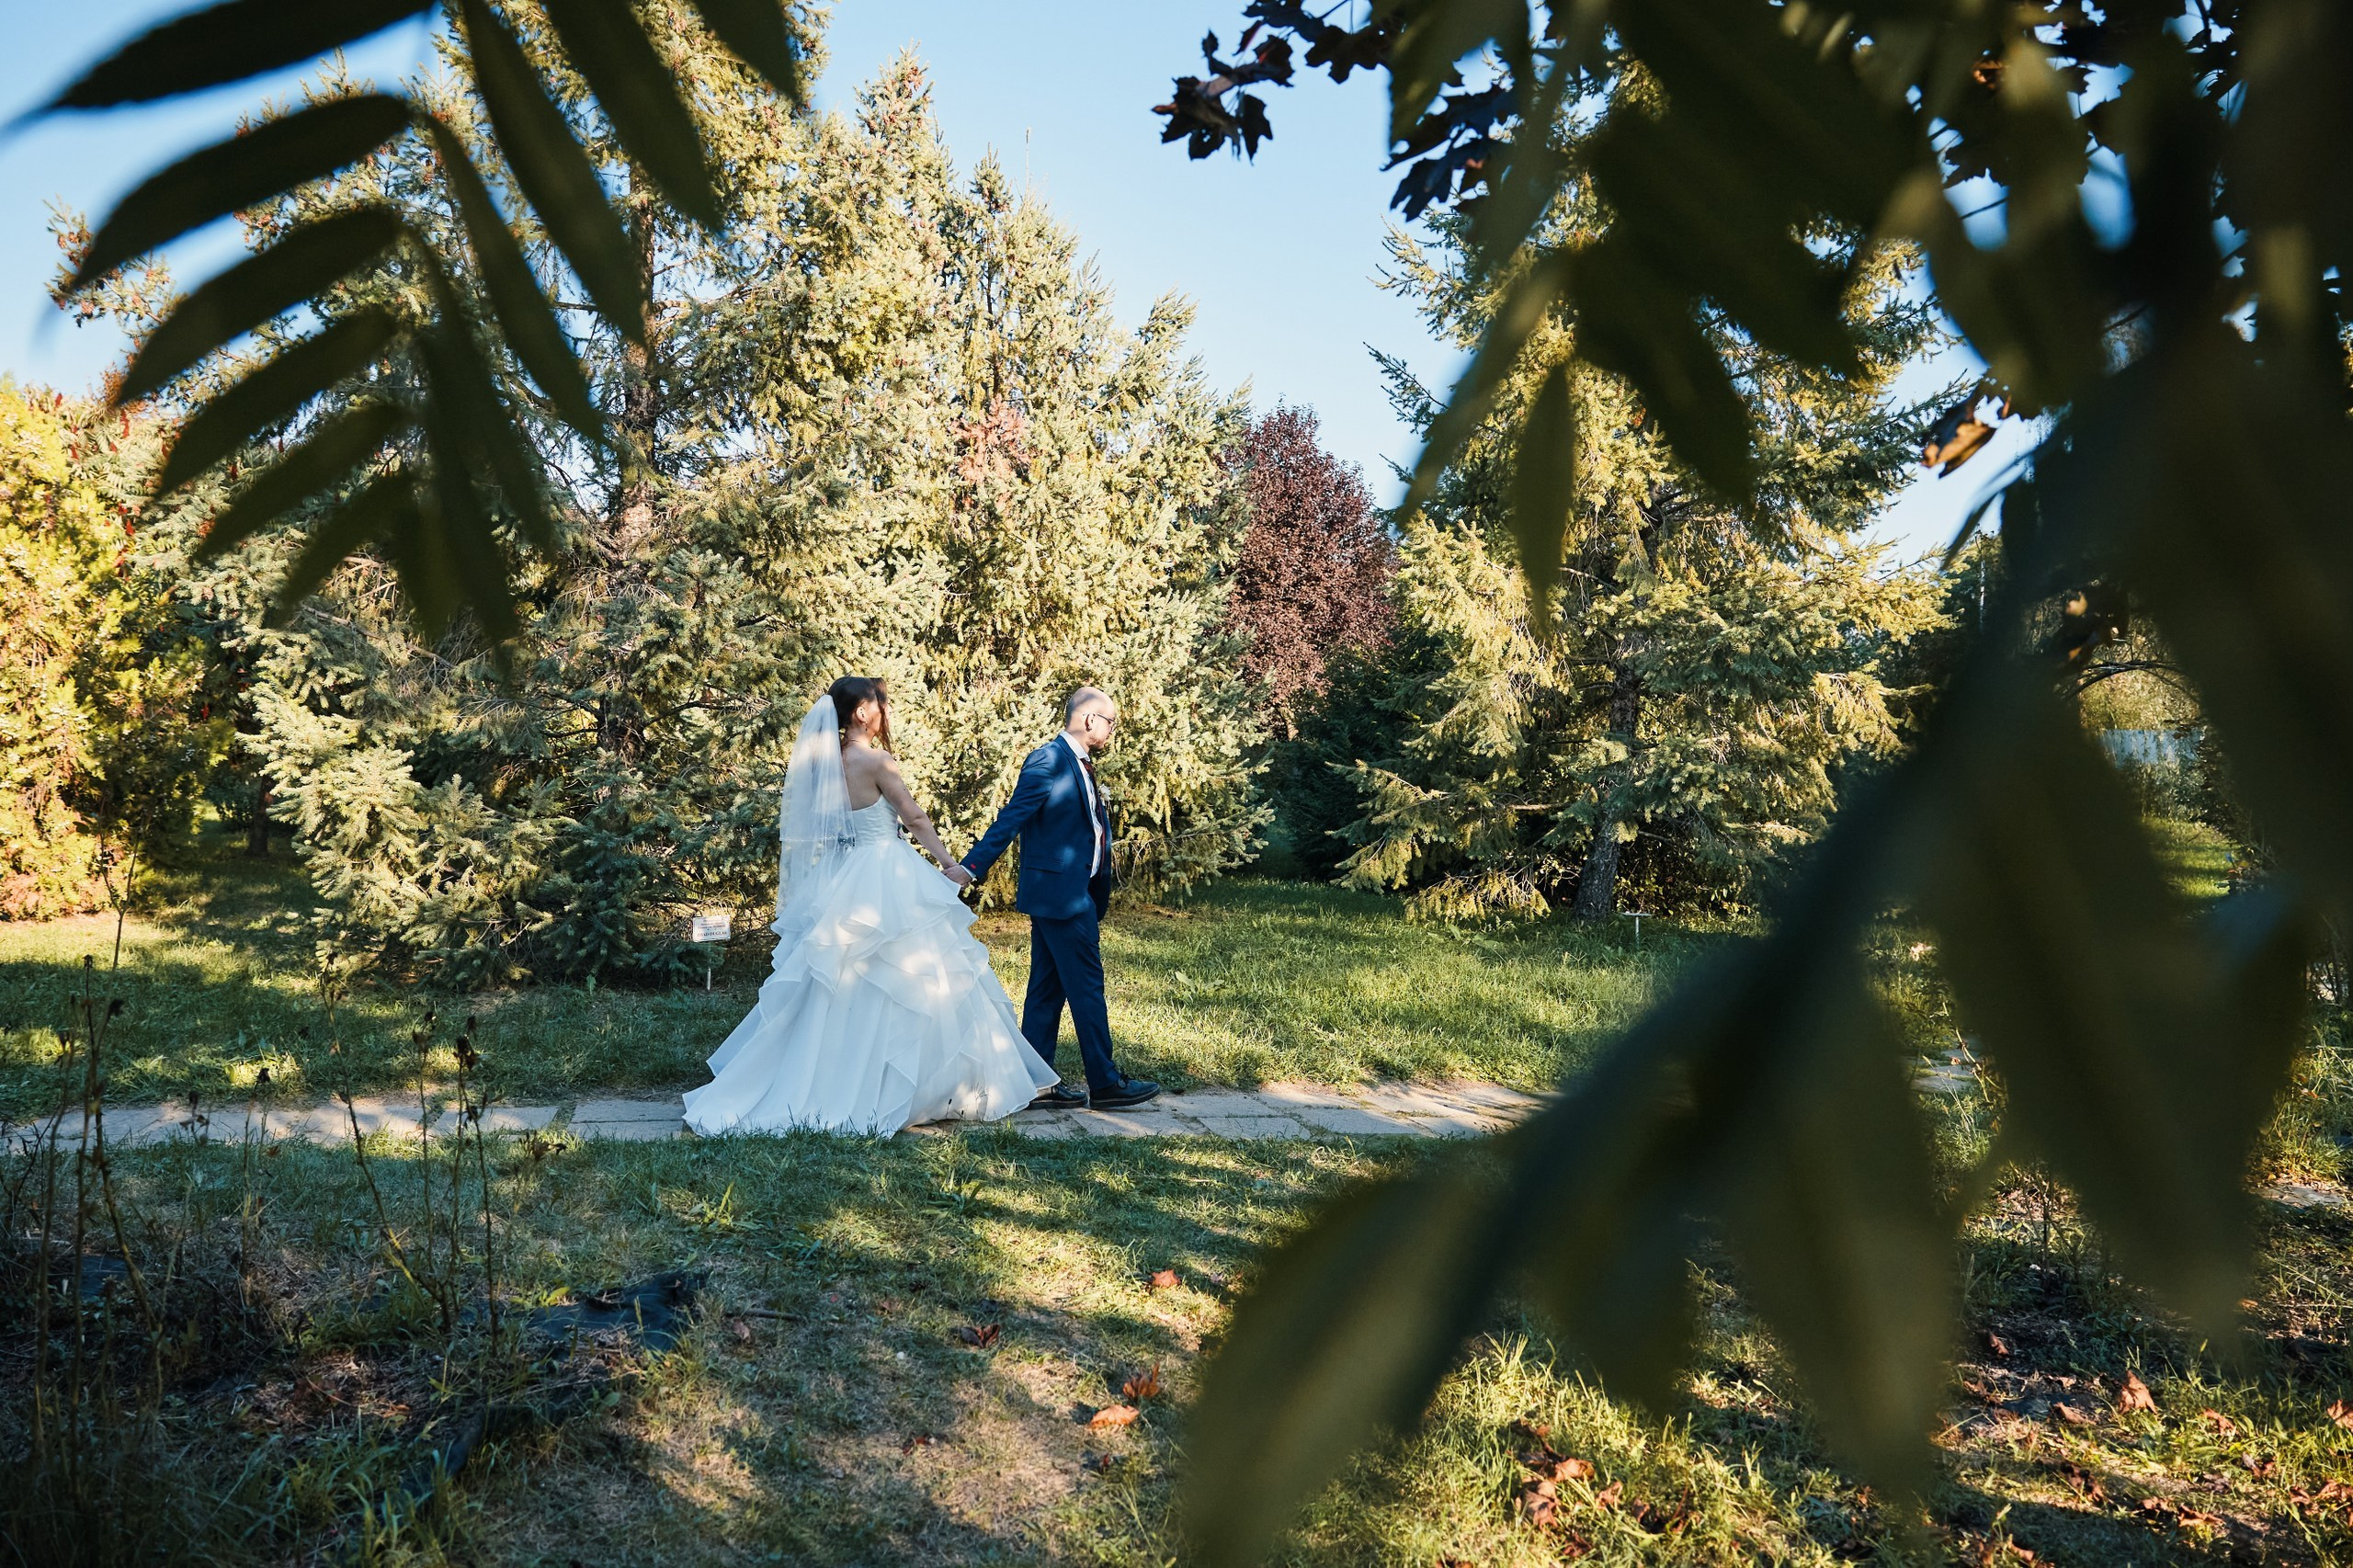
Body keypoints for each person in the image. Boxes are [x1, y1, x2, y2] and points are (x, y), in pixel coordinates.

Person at [682, 676, 1055, 1136]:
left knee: (838, 981)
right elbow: (913, 817)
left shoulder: (825, 764)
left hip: (844, 874)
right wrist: (951, 865)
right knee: (917, 975)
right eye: (880, 703)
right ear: (861, 712)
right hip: (885, 871)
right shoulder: (876, 761)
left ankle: (827, 1076)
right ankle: (919, 1086)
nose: (885, 711)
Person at [961, 687, 1161, 1110]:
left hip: (1070, 892)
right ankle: (1105, 1083)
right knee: (1087, 986)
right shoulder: (1049, 759)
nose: (1111, 730)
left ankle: (1035, 1083)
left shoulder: (1080, 764)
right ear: (1090, 719)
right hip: (1062, 896)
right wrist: (970, 867)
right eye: (1110, 722)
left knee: (1047, 988)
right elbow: (1013, 816)